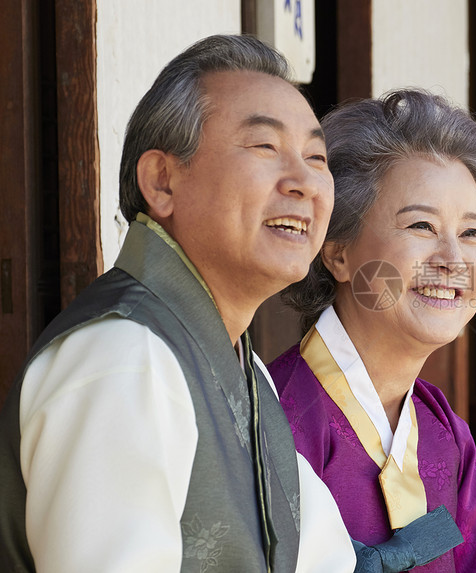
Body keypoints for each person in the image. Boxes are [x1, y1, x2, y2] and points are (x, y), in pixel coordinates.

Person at [0, 34, 357, 572]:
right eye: (265, 147)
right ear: (162, 181)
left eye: (315, 156)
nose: (305, 181)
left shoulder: (240, 367)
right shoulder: (123, 353)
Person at [268, 89, 476, 572]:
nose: (453, 260)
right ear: (337, 251)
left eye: (472, 233)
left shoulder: (445, 432)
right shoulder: (277, 417)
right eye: (422, 226)